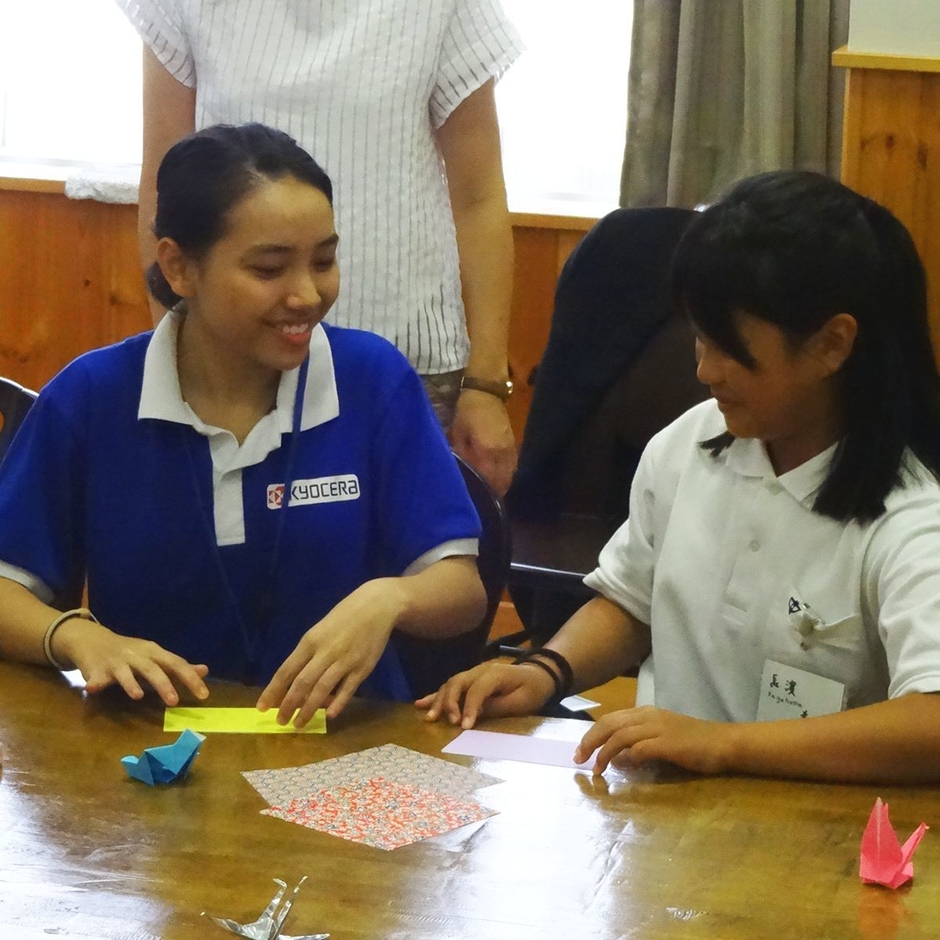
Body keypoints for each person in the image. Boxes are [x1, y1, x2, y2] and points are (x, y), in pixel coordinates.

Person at [419, 170, 940, 785]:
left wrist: (723, 745)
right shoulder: (690, 443)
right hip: (663, 813)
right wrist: (546, 671)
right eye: (698, 338)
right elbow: (633, 601)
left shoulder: (911, 518)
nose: (704, 370)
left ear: (831, 345)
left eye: (730, 349)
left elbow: (929, 724)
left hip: (816, 834)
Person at [0, 123, 486, 729]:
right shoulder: (92, 397)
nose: (307, 294)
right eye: (269, 268)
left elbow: (462, 590)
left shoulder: (371, 380)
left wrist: (390, 598)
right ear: (179, 267)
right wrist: (75, 637)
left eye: (325, 261)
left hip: (345, 746)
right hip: (152, 753)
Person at [116, 0, 522, 496]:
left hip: (409, 358)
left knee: (423, 559)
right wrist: (172, 359)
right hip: (232, 362)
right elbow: (165, 190)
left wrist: (485, 384)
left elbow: (478, 197)